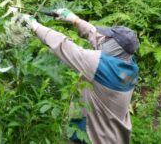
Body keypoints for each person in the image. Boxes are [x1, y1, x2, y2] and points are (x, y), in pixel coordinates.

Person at [20, 8, 140, 144]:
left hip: (97, 138)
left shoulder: (99, 66)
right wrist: (73, 19)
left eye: (108, 39)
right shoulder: (129, 66)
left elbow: (63, 45)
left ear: (113, 46)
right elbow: (97, 36)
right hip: (117, 136)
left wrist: (34, 25)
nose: (103, 38)